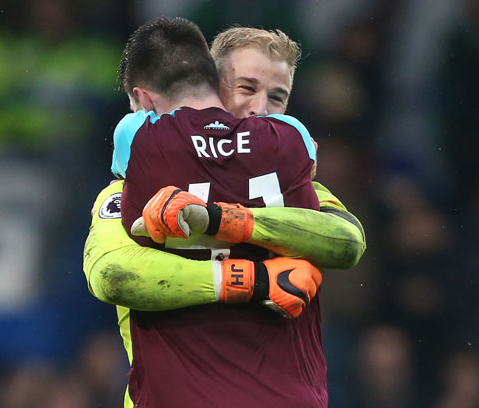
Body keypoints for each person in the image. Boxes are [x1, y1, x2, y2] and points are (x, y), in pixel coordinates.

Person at [83, 19, 366, 407]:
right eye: (246, 87)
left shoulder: (295, 181)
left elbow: (347, 240)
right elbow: (112, 272)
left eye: (278, 98)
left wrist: (223, 218)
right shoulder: (130, 184)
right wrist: (256, 279)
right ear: (208, 86)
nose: (259, 109)